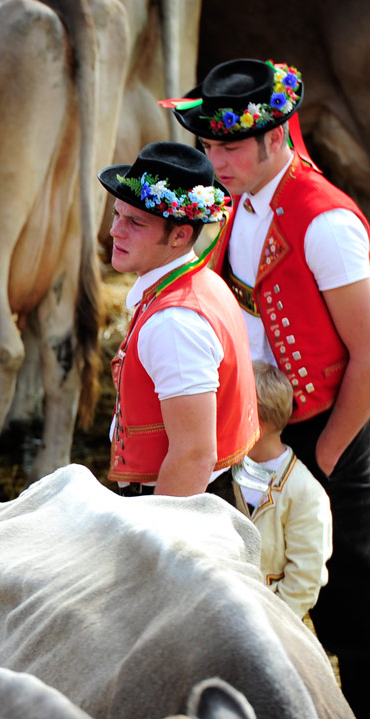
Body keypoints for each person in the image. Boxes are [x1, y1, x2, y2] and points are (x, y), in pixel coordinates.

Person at [174, 58, 370, 719]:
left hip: (327, 420)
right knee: (261, 585)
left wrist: (318, 462)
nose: (213, 161)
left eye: (226, 146)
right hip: (264, 417)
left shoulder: (326, 222)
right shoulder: (245, 200)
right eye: (210, 145)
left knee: (355, 589)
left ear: (276, 136)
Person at [99, 142, 259, 497]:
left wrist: (158, 544)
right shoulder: (196, 283)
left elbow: (193, 455)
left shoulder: (174, 322)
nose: (115, 231)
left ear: (181, 235)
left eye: (136, 222)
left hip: (181, 510)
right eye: (116, 215)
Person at [232, 362, 332, 619]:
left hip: (271, 624)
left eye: (235, 412)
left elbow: (305, 580)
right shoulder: (226, 472)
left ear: (256, 424)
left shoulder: (305, 493)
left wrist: (272, 624)